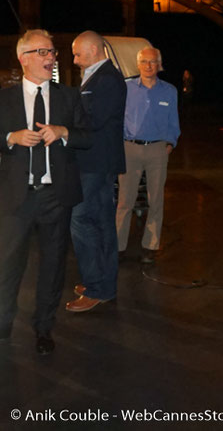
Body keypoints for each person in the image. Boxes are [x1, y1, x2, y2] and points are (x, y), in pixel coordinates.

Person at [0, 29, 91, 354]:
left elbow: (87, 136)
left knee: (53, 267)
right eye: (42, 52)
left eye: (52, 52)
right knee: (8, 263)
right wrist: (11, 137)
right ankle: (3, 324)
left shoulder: (69, 96)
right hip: (15, 197)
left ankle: (43, 329)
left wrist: (64, 132)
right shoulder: (4, 98)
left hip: (56, 196)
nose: (50, 58)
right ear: (23, 58)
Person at [66, 31, 127, 312]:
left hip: (95, 163)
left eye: (78, 54)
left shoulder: (107, 79)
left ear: (93, 49)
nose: (75, 60)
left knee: (81, 219)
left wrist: (63, 122)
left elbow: (92, 120)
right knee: (101, 222)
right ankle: (103, 284)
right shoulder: (99, 76)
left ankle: (95, 286)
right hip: (96, 163)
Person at [115, 47, 180, 264]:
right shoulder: (125, 88)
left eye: (153, 61)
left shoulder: (169, 91)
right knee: (125, 200)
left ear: (159, 64)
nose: (148, 65)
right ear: (138, 64)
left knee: (156, 199)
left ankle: (151, 245)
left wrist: (170, 143)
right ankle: (118, 245)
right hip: (130, 149)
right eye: (144, 61)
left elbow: (174, 121)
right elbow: (118, 118)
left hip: (157, 150)